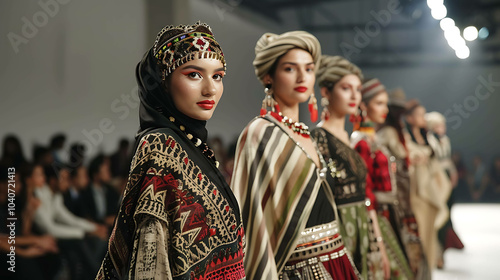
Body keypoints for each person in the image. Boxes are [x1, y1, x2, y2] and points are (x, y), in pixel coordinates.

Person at [96, 22, 245, 280]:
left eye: (217, 76)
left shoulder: (193, 147)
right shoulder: (159, 147)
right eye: (194, 74)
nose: (210, 89)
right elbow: (150, 258)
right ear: (162, 82)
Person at [231, 32, 358, 279]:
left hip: (338, 259)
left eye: (309, 69)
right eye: (290, 69)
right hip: (295, 268)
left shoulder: (307, 135)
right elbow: (251, 216)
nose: (302, 77)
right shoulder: (259, 133)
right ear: (269, 76)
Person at [312, 55, 384, 279]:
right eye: (346, 88)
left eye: (358, 89)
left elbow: (365, 194)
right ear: (325, 92)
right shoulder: (317, 139)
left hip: (364, 228)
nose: (354, 96)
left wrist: (378, 240)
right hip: (337, 233)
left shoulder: (353, 138)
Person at [351, 78, 414, 279]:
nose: (384, 109)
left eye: (385, 104)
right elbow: (365, 189)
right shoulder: (360, 141)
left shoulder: (372, 137)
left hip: (388, 211)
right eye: (379, 103)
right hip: (377, 214)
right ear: (364, 105)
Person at [377, 88, 431, 279]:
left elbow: (406, 152)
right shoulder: (387, 132)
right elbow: (401, 153)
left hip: (403, 188)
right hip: (395, 190)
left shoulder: (395, 130)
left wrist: (416, 155)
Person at [404, 100, 451, 269]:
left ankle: (429, 267)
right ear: (409, 118)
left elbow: (438, 157)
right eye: (419, 115)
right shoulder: (405, 136)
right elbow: (407, 157)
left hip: (431, 189)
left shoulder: (427, 137)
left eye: (424, 115)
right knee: (419, 232)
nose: (423, 118)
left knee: (431, 232)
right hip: (416, 190)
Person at [426, 111, 464, 268]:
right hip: (436, 180)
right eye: (438, 125)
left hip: (447, 179)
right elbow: (433, 163)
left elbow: (448, 160)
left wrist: (453, 174)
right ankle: (437, 254)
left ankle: (442, 251)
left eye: (443, 125)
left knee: (447, 212)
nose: (442, 128)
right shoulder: (429, 140)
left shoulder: (445, 140)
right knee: (438, 215)